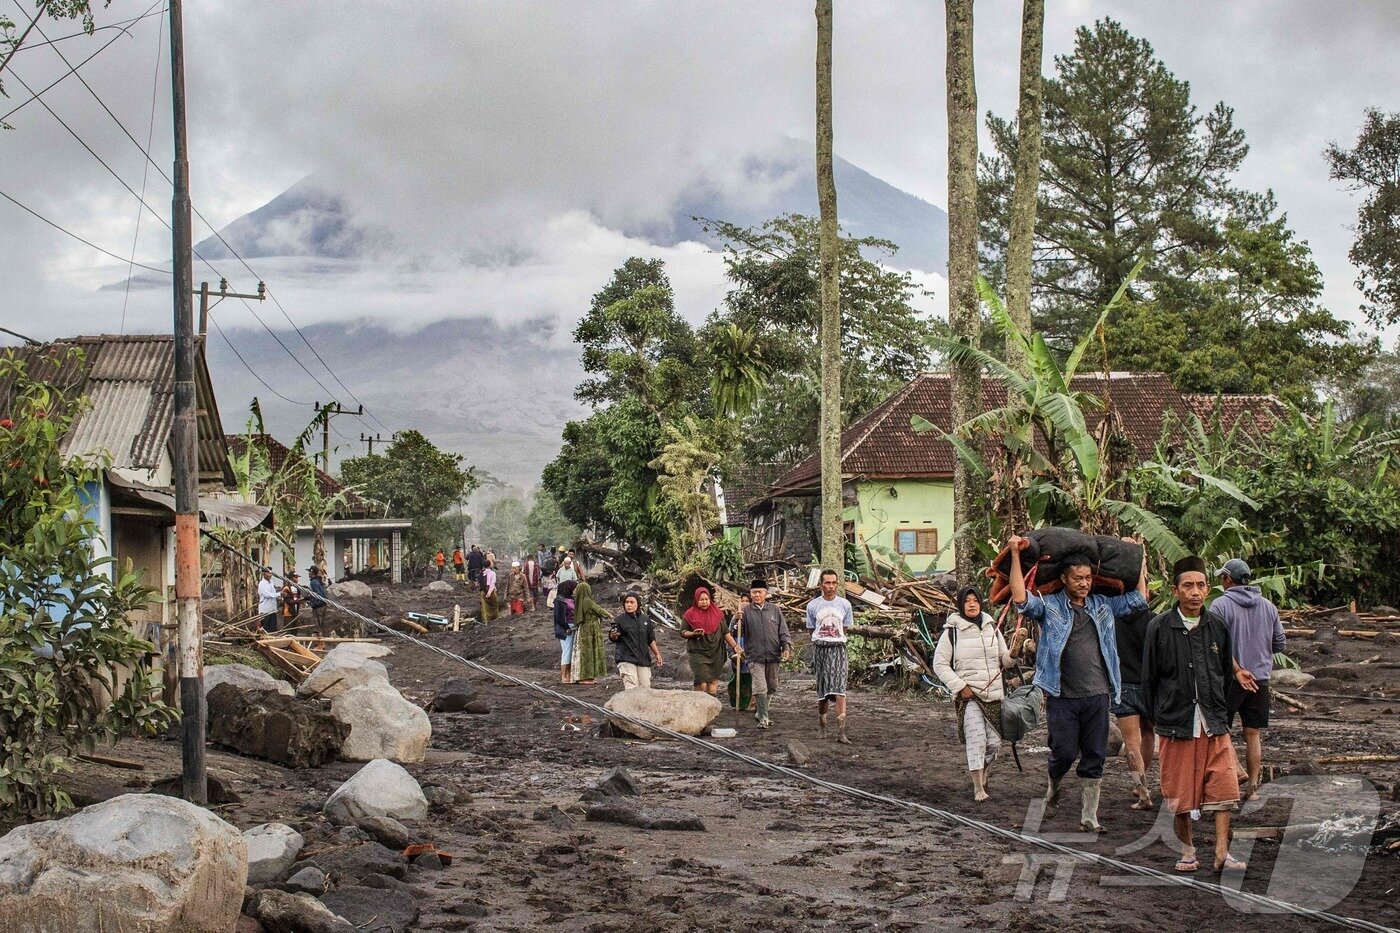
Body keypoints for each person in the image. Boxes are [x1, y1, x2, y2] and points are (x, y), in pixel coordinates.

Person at [1009, 533, 1149, 833]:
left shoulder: (1103, 605)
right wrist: (1016, 555)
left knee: (1095, 755)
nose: (1083, 583)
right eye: (1077, 578)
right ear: (1064, 579)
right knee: (1063, 752)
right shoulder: (1051, 607)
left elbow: (1139, 599)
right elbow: (1020, 598)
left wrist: (1138, 559)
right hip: (1062, 695)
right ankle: (1054, 789)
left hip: (1098, 695)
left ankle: (1089, 816)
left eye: (1087, 578)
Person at [1143, 555, 1257, 874]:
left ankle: (1222, 853)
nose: (1196, 591)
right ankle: (1188, 850)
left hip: (1214, 723)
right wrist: (1159, 722)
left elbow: (1223, 673)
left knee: (1224, 788)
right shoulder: (1159, 628)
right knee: (1179, 795)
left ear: (1209, 588)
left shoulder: (1217, 626)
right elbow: (1149, 679)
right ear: (1175, 590)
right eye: (1188, 585)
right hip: (1176, 724)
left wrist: (1221, 715)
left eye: (1201, 585)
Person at [1212, 558, 1284, 801]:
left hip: (1231, 679)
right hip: (1260, 678)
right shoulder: (1268, 607)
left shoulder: (1220, 605)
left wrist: (1236, 667)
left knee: (1219, 728)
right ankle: (1252, 787)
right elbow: (1279, 643)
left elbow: (1215, 643)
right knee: (1253, 734)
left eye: (1222, 577)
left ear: (1227, 579)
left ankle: (1236, 772)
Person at [933, 585, 1013, 801]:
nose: (971, 604)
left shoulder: (991, 626)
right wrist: (961, 687)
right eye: (967, 601)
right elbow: (939, 664)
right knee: (976, 739)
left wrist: (1016, 653)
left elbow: (1004, 658)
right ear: (961, 605)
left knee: (994, 744)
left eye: (975, 600)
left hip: (994, 695)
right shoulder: (952, 631)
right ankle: (978, 788)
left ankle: (983, 770)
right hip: (970, 697)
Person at [1112, 604, 1157, 810]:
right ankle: (1141, 787)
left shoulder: (1111, 620)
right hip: (1150, 685)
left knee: (1131, 742)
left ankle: (1143, 792)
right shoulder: (1154, 620)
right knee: (1149, 733)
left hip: (1124, 685)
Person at [805, 569, 854, 744]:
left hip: (839, 650)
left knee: (840, 690)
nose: (830, 586)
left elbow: (845, 629)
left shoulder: (845, 605)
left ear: (837, 584)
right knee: (823, 691)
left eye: (833, 583)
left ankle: (841, 732)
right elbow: (812, 630)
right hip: (821, 650)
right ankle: (822, 726)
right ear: (821, 585)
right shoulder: (813, 606)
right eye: (827, 583)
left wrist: (834, 639)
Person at [741, 579, 791, 729]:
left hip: (773, 654)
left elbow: (783, 631)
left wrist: (786, 647)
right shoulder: (745, 611)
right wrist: (737, 620)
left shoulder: (775, 610)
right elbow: (735, 631)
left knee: (772, 686)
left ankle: (760, 712)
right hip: (754, 656)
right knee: (760, 686)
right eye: (754, 592)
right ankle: (763, 717)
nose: (756, 595)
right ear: (750, 594)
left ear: (766, 594)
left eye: (759, 592)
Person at [682, 586, 738, 697]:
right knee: (701, 681)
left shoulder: (717, 614)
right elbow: (682, 632)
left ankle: (711, 707)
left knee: (713, 680)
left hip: (715, 652)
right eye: (701, 599)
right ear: (696, 600)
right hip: (698, 652)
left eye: (706, 599)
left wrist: (735, 646)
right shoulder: (689, 615)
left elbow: (726, 633)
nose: (704, 602)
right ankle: (700, 706)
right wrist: (693, 634)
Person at [610, 592, 663, 689]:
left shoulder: (646, 620)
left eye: (631, 602)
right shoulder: (619, 620)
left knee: (645, 687)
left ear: (638, 604)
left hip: (643, 659)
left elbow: (651, 639)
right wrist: (613, 635)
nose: (628, 605)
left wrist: (657, 654)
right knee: (631, 688)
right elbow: (614, 637)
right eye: (626, 602)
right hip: (626, 658)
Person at [571, 582, 609, 684]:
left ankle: (584, 676)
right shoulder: (587, 601)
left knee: (584, 653)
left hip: (583, 629)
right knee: (590, 652)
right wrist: (610, 615)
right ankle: (589, 677)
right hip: (591, 629)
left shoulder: (579, 601)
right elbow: (600, 610)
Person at [553, 579, 579, 683]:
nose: (575, 590)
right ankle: (564, 675)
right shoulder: (560, 600)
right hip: (566, 628)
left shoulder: (572, 599)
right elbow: (558, 617)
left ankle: (570, 674)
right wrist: (566, 628)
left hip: (573, 626)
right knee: (567, 651)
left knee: (571, 651)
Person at [307, 565, 330, 646]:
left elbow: (318, 594)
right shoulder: (319, 581)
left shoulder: (313, 582)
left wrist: (313, 602)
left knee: (317, 626)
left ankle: (321, 645)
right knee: (321, 625)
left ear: (312, 573)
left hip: (318, 606)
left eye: (309, 572)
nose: (308, 573)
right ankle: (322, 643)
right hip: (323, 605)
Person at [256, 567, 279, 633]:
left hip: (272, 610)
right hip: (265, 611)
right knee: (265, 629)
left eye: (271, 573)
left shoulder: (271, 582)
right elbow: (268, 595)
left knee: (273, 629)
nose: (270, 575)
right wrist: (279, 594)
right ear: (263, 574)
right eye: (268, 573)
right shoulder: (262, 584)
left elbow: (274, 593)